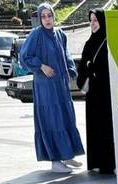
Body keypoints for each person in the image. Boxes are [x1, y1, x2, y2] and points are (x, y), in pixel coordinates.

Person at [19, 3, 84, 173]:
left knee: (65, 117)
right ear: (39, 19)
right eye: (43, 16)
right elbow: (24, 56)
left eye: (50, 15)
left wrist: (70, 70)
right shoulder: (36, 35)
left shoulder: (60, 34)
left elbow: (66, 54)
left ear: (54, 16)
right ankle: (55, 160)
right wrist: (41, 66)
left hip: (61, 85)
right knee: (52, 119)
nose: (47, 19)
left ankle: (67, 154)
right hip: (45, 87)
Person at [77, 10, 116, 175]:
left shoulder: (109, 41)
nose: (93, 24)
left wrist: (92, 68)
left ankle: (108, 163)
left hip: (105, 93)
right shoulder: (89, 42)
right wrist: (87, 69)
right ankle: (97, 161)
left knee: (106, 126)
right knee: (94, 126)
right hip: (93, 93)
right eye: (91, 21)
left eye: (96, 21)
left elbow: (109, 66)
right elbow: (82, 66)